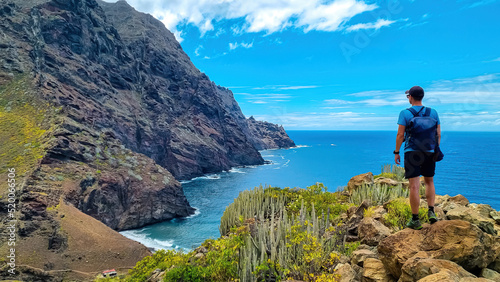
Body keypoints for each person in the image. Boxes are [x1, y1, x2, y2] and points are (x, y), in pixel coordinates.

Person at [394, 86, 441, 230]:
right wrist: (435, 149)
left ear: (411, 97)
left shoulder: (405, 113)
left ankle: (415, 219)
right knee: (429, 181)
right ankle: (431, 211)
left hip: (412, 152)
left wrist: (396, 152)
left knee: (414, 186)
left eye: (408, 96)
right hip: (429, 151)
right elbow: (438, 133)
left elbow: (400, 135)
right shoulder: (433, 112)